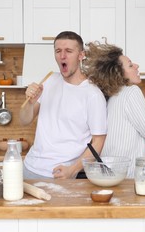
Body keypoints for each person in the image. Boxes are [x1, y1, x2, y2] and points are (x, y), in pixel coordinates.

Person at [84, 42, 145, 178]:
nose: (136, 66)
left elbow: (130, 131)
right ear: (119, 74)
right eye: (130, 65)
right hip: (130, 178)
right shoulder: (131, 92)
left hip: (116, 175)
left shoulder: (115, 95)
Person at [19, 31, 107, 179]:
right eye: (58, 51)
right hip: (29, 168)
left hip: (61, 174)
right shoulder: (49, 80)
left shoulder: (93, 94)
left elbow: (98, 142)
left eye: (69, 51)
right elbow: (24, 120)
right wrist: (30, 103)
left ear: (81, 55)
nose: (62, 56)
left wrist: (72, 170)